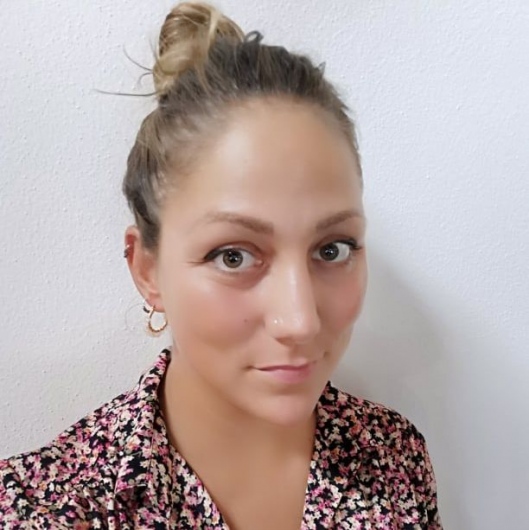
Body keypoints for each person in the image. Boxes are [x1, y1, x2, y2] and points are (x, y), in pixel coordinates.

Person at [0, 2, 442, 528]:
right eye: (234, 256)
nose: (300, 321)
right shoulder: (40, 511)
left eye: (332, 249)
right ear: (147, 270)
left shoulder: (394, 458)